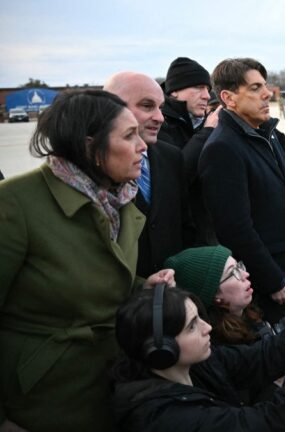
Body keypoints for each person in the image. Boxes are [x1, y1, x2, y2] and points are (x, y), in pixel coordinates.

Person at [0, 90, 174, 431]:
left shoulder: (119, 197)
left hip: (113, 383)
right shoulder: (15, 204)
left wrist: (143, 286)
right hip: (44, 400)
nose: (143, 146)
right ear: (90, 146)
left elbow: (100, 278)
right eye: (129, 136)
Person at [111, 284, 285, 431]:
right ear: (162, 351)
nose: (207, 328)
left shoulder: (196, 365)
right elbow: (272, 422)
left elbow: (263, 357)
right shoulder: (166, 419)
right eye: (192, 326)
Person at [199, 58, 285, 324]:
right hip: (270, 279)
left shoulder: (266, 135)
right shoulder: (222, 149)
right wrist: (273, 281)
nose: (267, 93)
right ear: (228, 98)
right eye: (256, 88)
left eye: (265, 86)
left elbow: (273, 187)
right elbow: (235, 229)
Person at [104, 72, 196, 277]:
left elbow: (185, 226)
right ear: (111, 107)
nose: (160, 117)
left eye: (161, 108)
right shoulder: (92, 168)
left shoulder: (171, 156)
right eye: (147, 106)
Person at [159, 56, 222, 246]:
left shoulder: (203, 122)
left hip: (213, 233)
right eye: (198, 88)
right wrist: (207, 132)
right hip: (183, 240)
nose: (206, 96)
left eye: (208, 89)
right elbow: (177, 176)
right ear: (175, 92)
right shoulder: (159, 125)